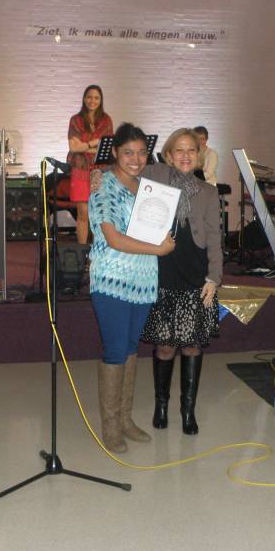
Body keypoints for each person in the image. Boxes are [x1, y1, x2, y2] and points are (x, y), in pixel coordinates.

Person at [87, 123, 174, 453]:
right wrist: (159, 249)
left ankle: (124, 419)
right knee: (114, 350)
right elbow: (113, 238)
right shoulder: (103, 186)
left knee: (130, 347)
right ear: (115, 153)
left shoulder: (147, 187)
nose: (135, 159)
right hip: (112, 279)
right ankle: (110, 426)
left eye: (140, 153)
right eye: (128, 153)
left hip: (142, 279)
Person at [140, 129, 222, 435]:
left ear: (198, 155)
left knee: (191, 345)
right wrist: (99, 177)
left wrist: (214, 277)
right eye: (179, 150)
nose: (186, 155)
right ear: (169, 155)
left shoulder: (208, 192)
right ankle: (160, 405)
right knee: (164, 346)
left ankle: (188, 410)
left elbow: (214, 239)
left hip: (195, 276)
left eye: (191, 150)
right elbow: (125, 167)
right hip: (163, 272)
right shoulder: (155, 178)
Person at [67, 85, 113, 245]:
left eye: (96, 98)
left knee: (99, 212)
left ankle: (97, 250)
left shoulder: (106, 120)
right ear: (84, 99)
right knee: (83, 213)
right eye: (89, 97)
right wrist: (93, 143)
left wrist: (83, 146)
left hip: (100, 170)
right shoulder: (76, 120)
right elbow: (74, 148)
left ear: (101, 100)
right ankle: (82, 251)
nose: (92, 101)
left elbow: (107, 147)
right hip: (80, 169)